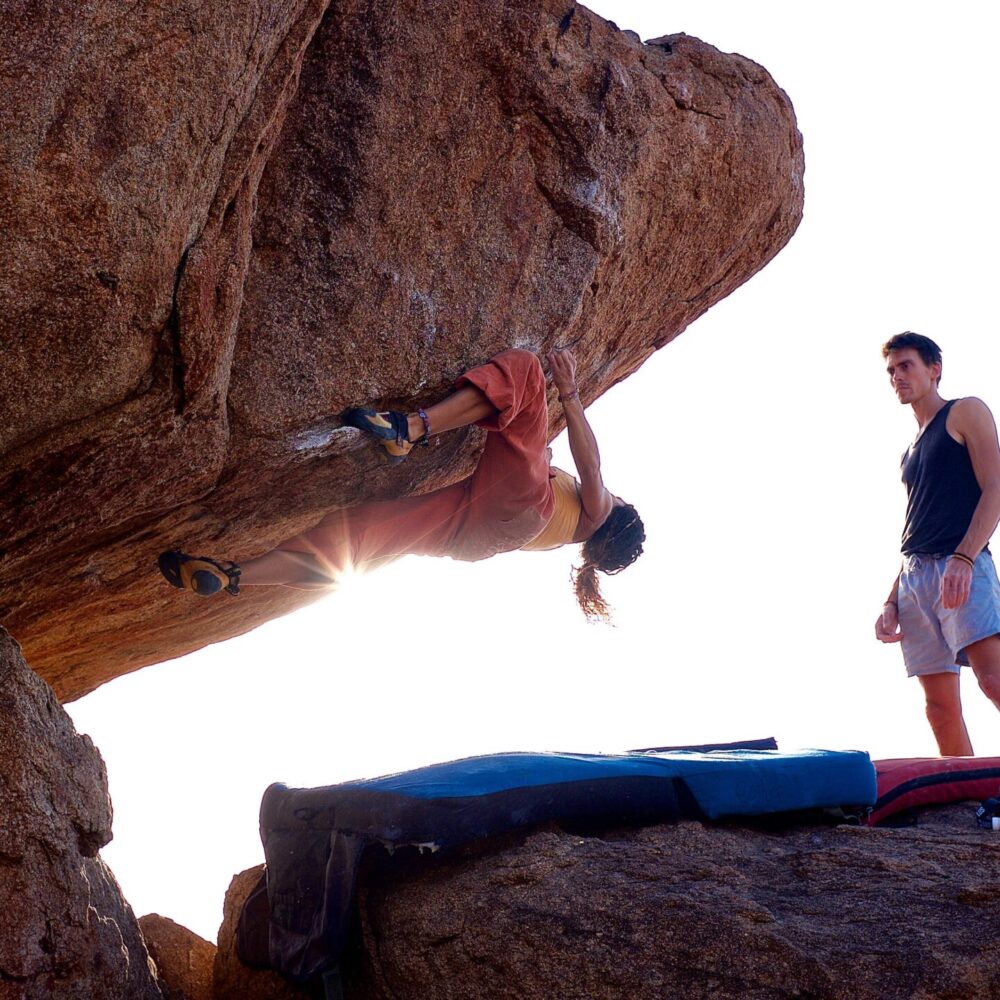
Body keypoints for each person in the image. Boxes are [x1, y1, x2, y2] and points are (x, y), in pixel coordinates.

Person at [159, 348, 644, 621]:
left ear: (614, 518)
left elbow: (591, 465)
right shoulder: (565, 531)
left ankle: (410, 429)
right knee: (359, 536)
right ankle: (234, 575)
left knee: (526, 376)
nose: (606, 493)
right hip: (477, 537)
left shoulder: (595, 512)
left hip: (517, 507)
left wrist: (571, 391)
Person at [875, 332, 1000, 754]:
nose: (897, 376)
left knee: (993, 679)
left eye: (906, 365)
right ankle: (967, 807)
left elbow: (996, 487)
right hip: (916, 578)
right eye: (891, 370)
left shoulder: (966, 412)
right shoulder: (909, 450)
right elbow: (917, 525)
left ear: (934, 369)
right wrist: (891, 600)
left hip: (961, 564)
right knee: (939, 708)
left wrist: (964, 557)